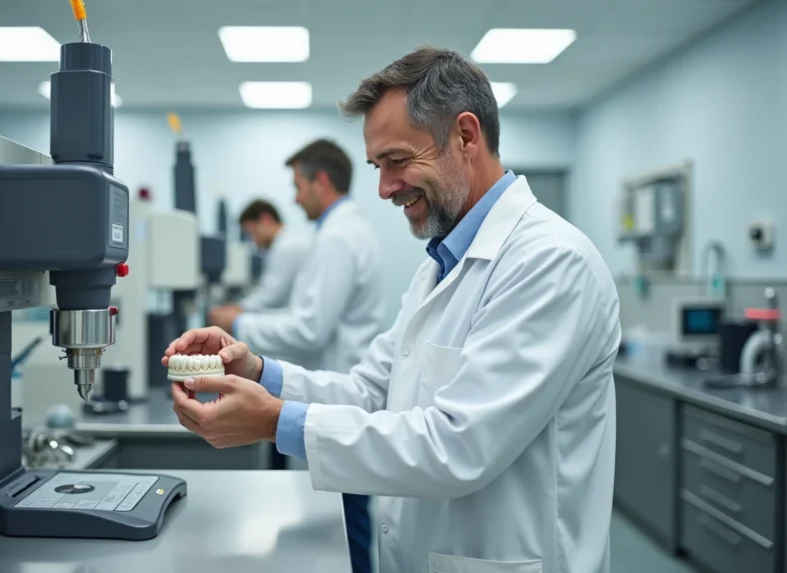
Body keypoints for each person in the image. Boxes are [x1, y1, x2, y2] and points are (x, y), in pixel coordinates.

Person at [165, 47, 620, 573]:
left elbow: (459, 445)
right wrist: (261, 374)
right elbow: (373, 391)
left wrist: (274, 423)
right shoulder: (440, 265)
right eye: (377, 166)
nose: (384, 188)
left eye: (398, 161)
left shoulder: (551, 262)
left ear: (466, 136)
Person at [208, 139, 383, 573]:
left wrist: (241, 327)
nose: (294, 196)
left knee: (344, 527)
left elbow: (309, 328)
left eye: (298, 185)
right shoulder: (340, 232)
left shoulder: (339, 237)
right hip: (337, 391)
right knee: (343, 524)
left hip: (340, 396)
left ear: (320, 182)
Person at [208, 199, 310, 319]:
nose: (254, 241)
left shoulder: (287, 247)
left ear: (265, 219)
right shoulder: (287, 242)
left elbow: (271, 296)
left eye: (252, 233)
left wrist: (237, 309)